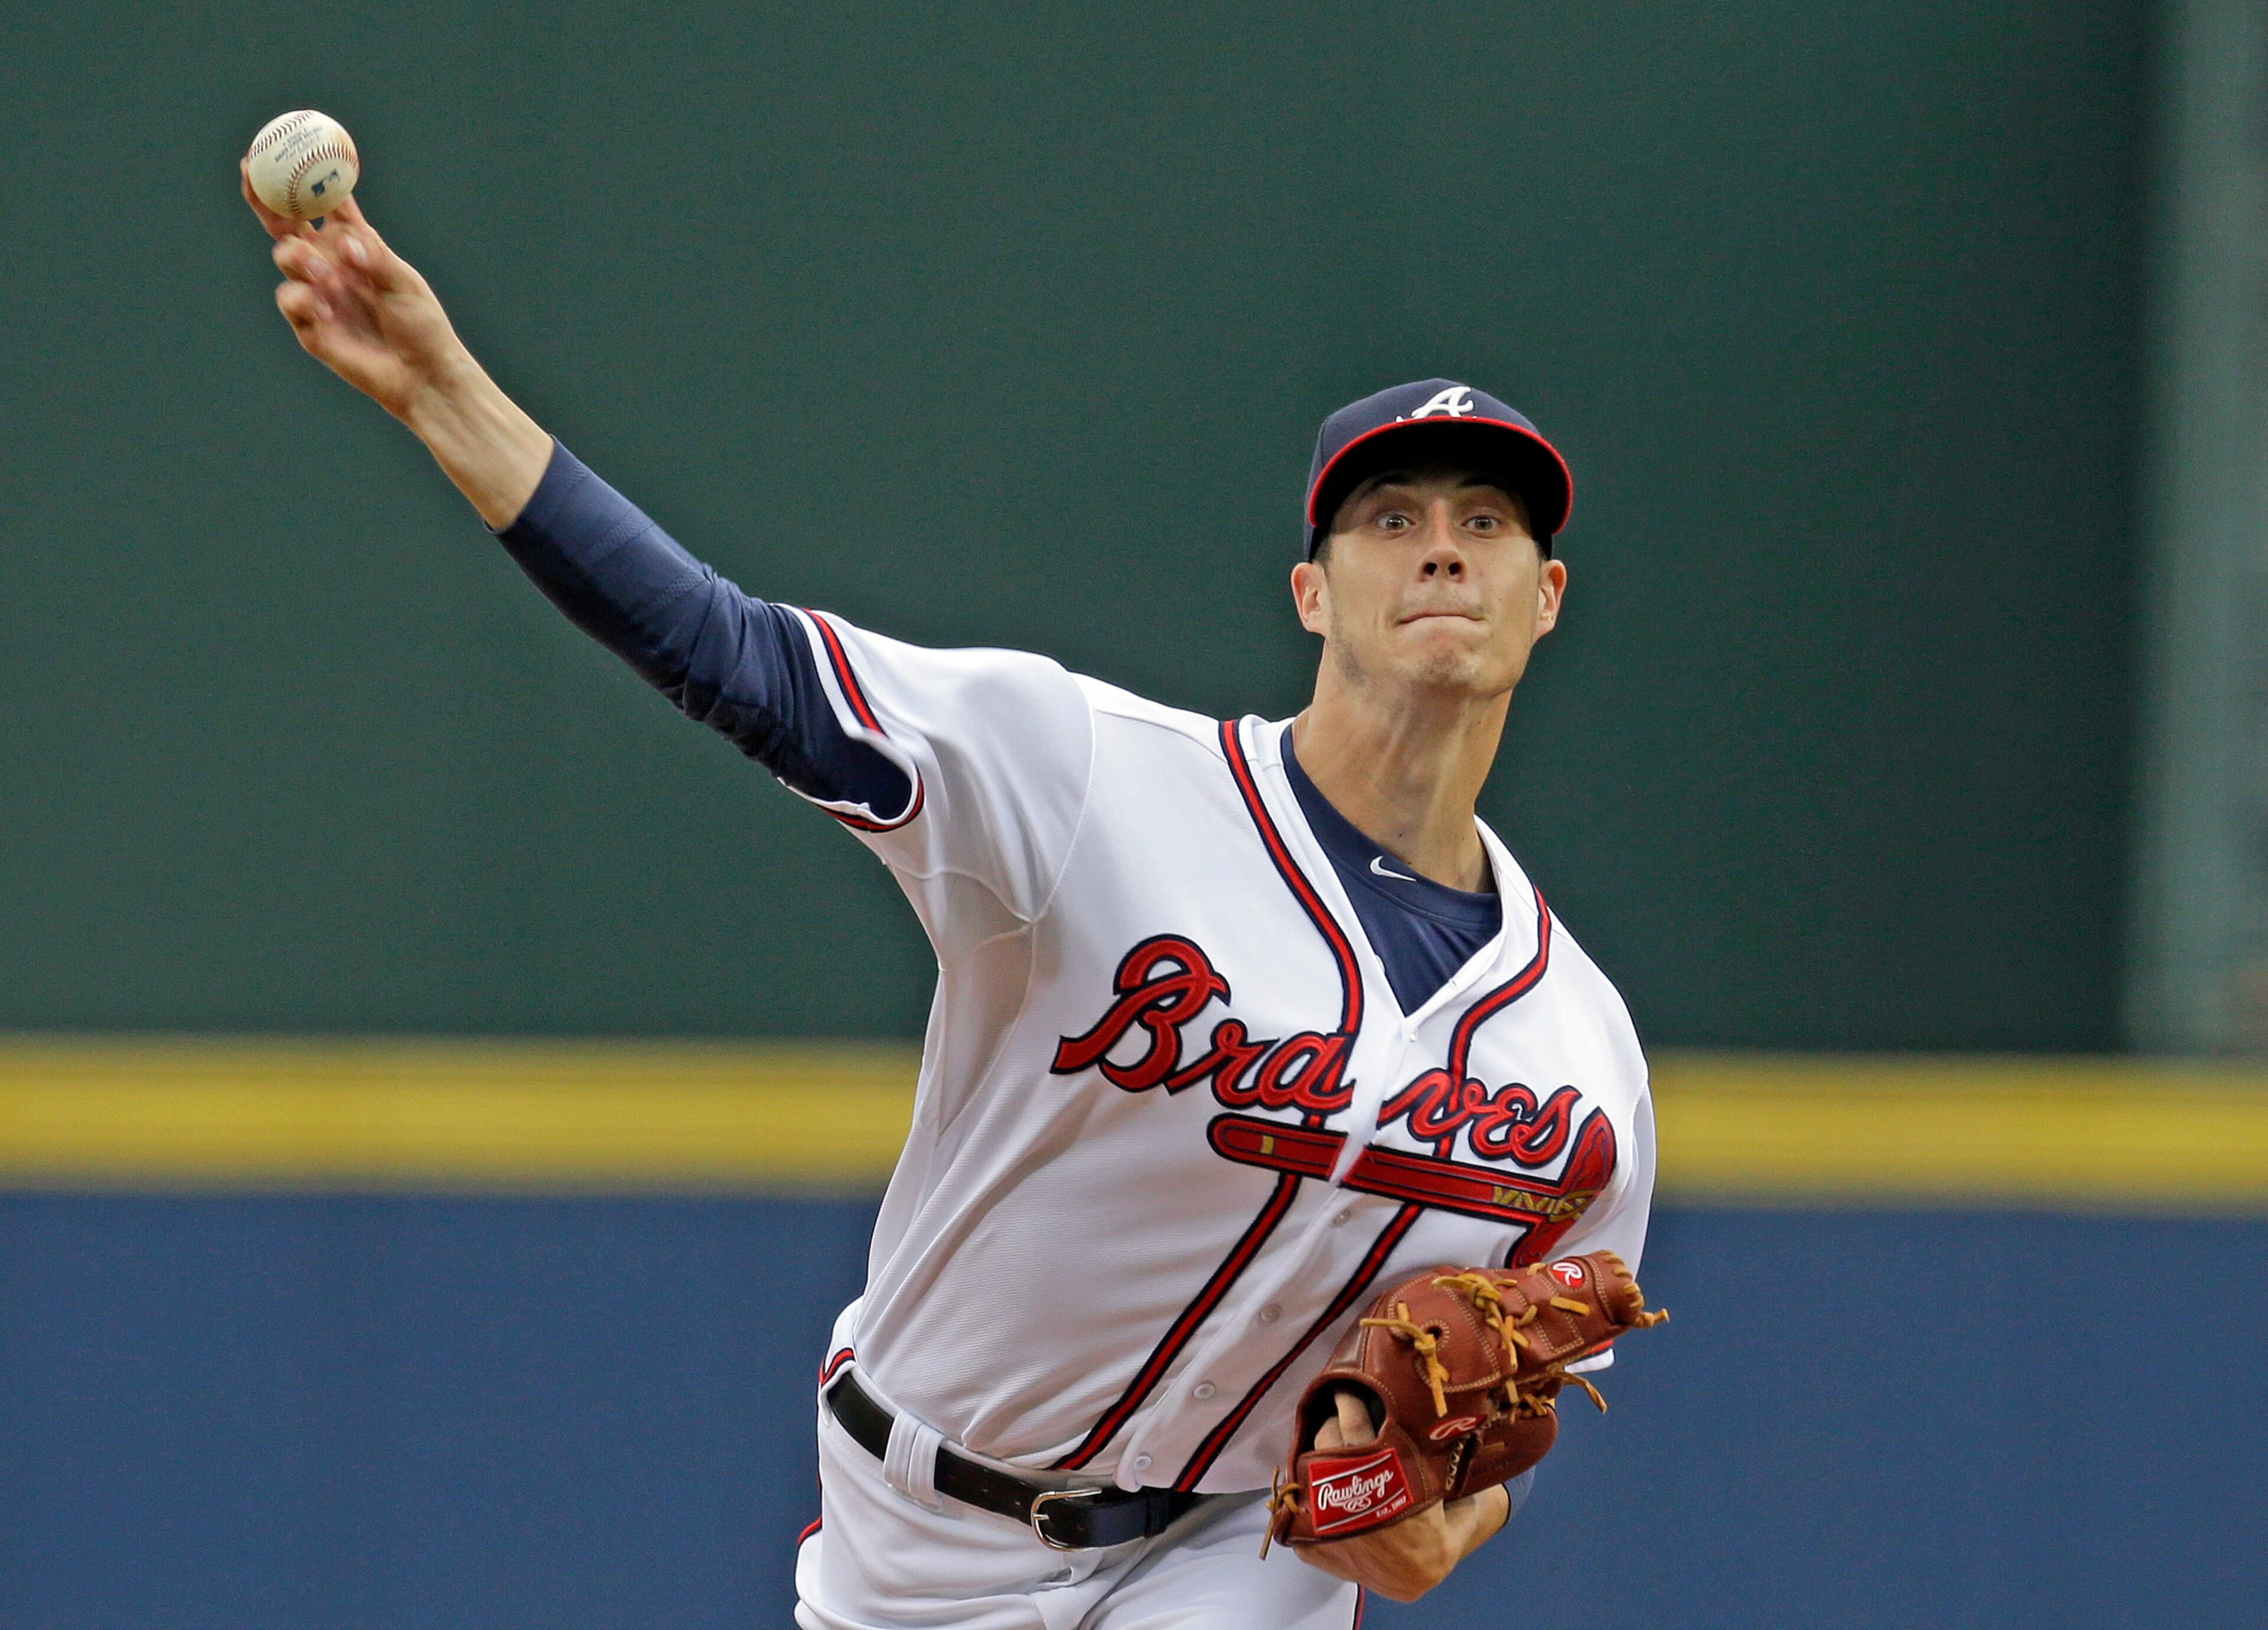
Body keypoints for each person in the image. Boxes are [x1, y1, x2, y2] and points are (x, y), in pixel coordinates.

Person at [243, 171, 1655, 1628]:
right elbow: (742, 658)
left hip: (1240, 1559)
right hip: (921, 1533)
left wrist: (1455, 1519)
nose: (1441, 545)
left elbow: (1540, 1384)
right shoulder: (1084, 774)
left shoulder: (1581, 1057)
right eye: (1391, 515)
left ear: (1547, 594)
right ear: (1312, 592)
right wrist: (442, 392)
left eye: (1489, 522)